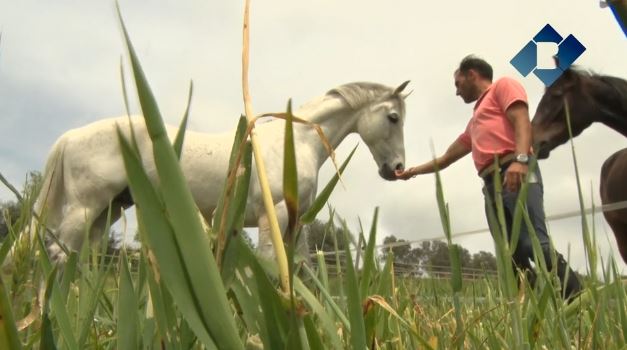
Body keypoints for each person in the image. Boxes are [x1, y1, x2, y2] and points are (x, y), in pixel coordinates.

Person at [396, 55, 581, 300]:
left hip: (515, 172)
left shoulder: (503, 87)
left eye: (457, 83)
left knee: (533, 243)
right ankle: (533, 306)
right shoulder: (475, 122)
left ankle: (576, 297)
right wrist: (412, 172)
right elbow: (447, 157)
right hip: (491, 186)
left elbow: (521, 121)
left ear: (472, 74)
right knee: (510, 255)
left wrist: (521, 160)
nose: (456, 92)